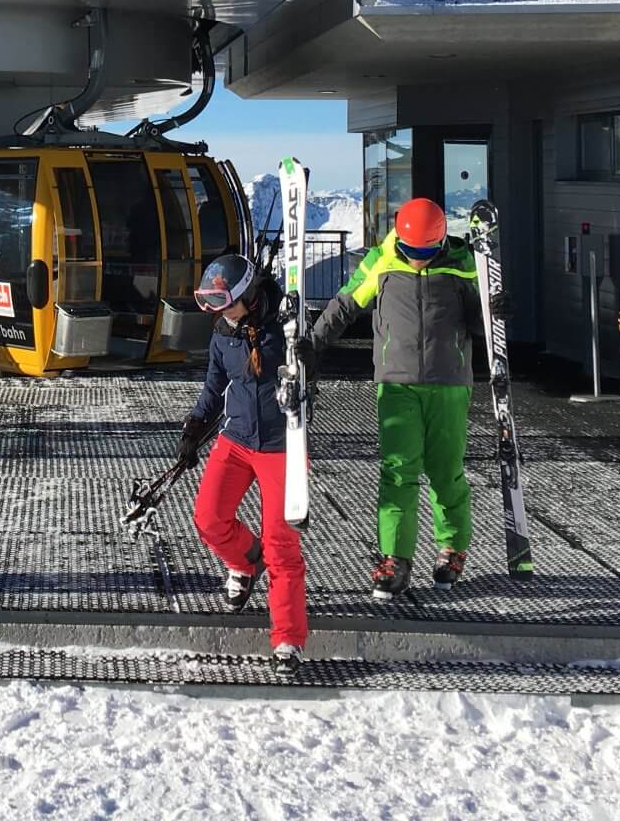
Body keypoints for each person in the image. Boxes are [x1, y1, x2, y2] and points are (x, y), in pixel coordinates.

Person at [311, 197, 506, 599]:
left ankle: (451, 548)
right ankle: (395, 558)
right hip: (396, 384)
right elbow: (345, 304)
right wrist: (312, 345)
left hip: (449, 381)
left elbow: (480, 323)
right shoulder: (381, 261)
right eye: (411, 251)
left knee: (445, 470)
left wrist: (496, 309)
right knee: (398, 470)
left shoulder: (463, 264)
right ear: (400, 238)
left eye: (426, 252)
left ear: (439, 242)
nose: (417, 259)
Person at [180, 252, 314, 676]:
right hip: (236, 439)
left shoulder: (287, 327)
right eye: (214, 307)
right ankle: (243, 561)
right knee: (208, 517)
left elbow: (313, 369)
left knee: (281, 546)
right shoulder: (225, 332)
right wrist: (194, 427)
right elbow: (214, 386)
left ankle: (287, 640)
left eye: (225, 304)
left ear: (247, 295)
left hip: (281, 445)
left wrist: (307, 364)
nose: (221, 315)